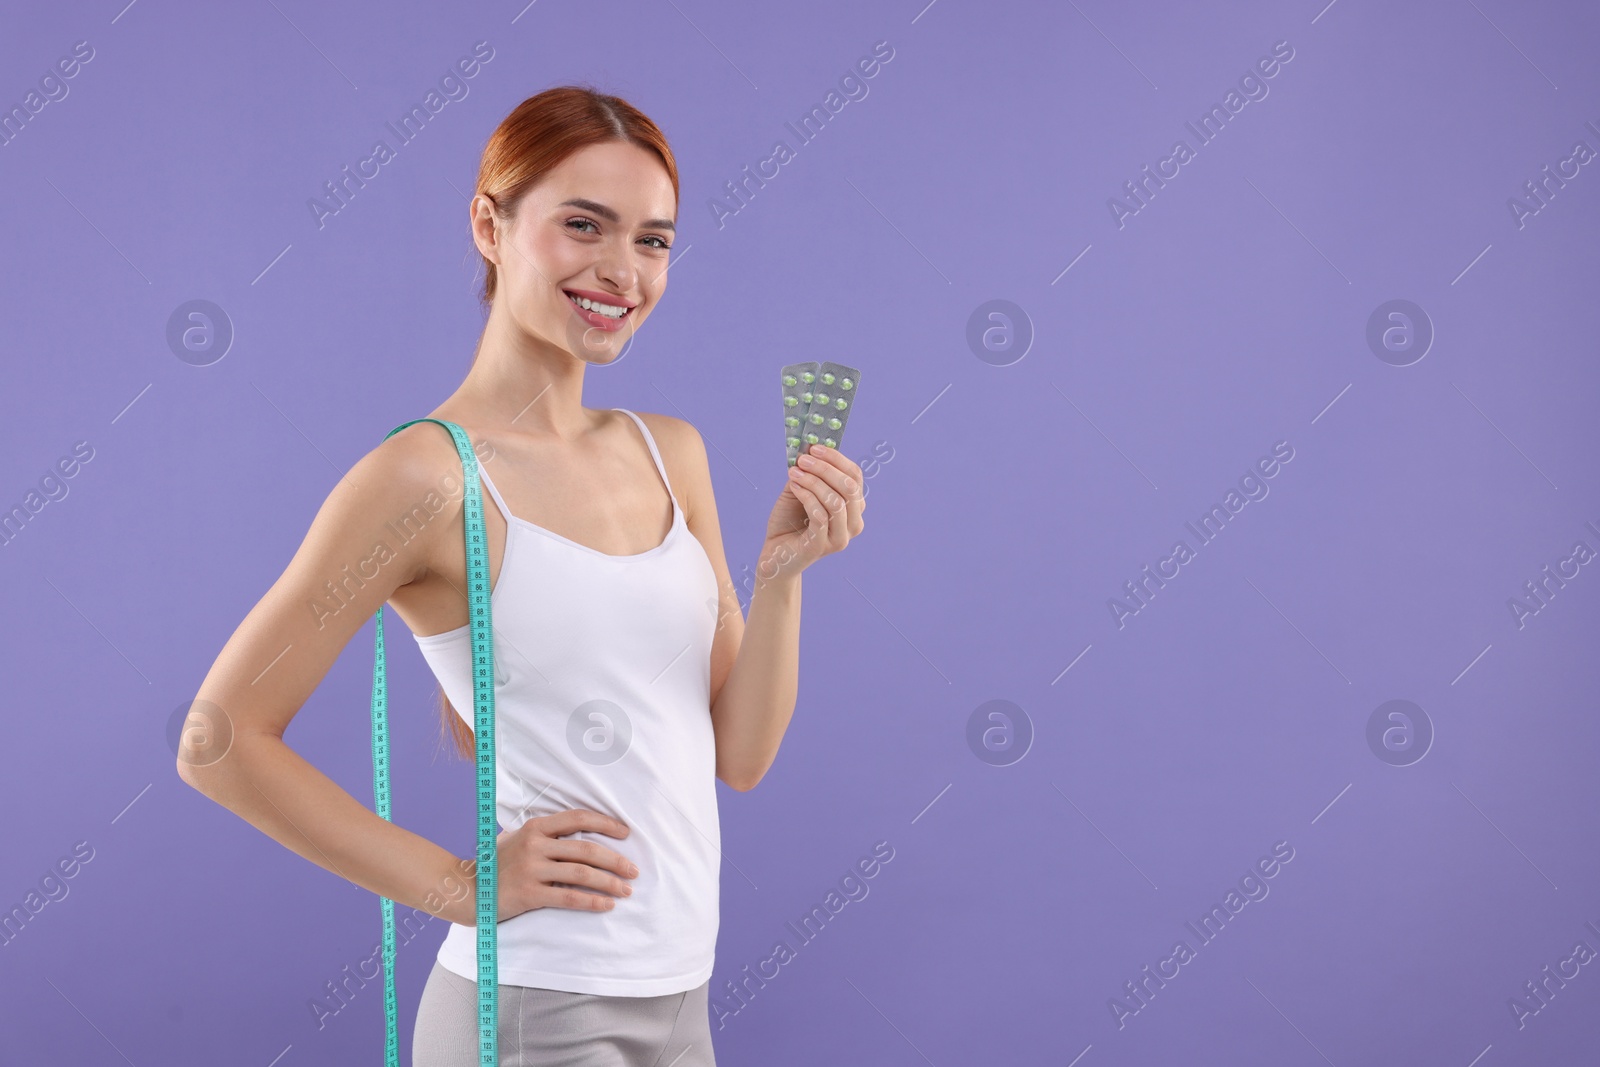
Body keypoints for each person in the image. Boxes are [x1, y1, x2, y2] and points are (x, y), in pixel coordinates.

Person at [176, 84, 866, 1066]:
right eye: (583, 224)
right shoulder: (423, 478)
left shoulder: (671, 450)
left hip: (680, 1000)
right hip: (532, 1008)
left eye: (654, 240)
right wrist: (459, 884)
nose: (621, 270)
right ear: (489, 225)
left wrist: (783, 575)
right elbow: (216, 740)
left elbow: (741, 754)